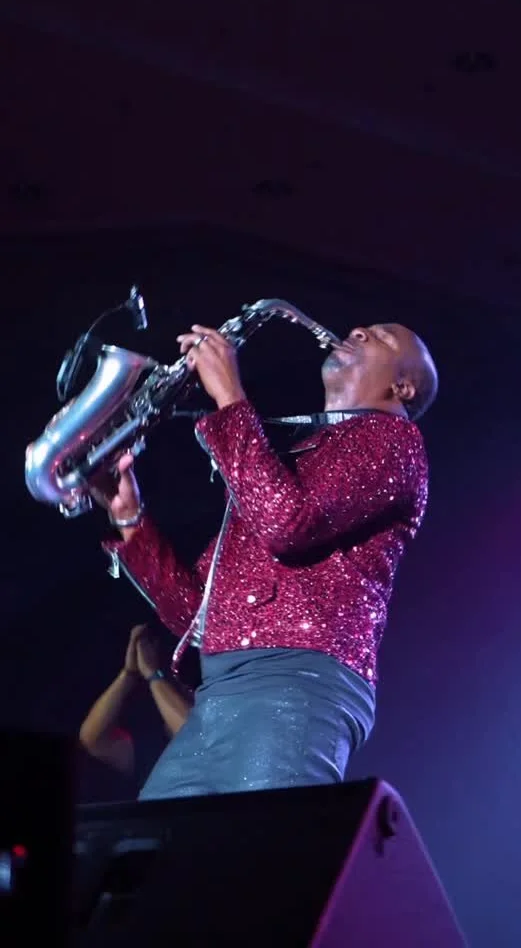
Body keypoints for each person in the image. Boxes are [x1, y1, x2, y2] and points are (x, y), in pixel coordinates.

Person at [93, 320, 437, 800]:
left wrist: (230, 398)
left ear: (403, 387)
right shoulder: (289, 459)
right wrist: (130, 519)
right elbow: (195, 613)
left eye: (382, 337)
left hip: (299, 685)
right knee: (155, 843)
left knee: (257, 844)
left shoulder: (395, 441)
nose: (359, 330)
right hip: (217, 697)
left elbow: (288, 524)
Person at [78, 623, 192, 786]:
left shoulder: (215, 732)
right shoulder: (152, 743)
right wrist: (129, 673)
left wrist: (153, 675)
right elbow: (93, 740)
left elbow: (193, 735)